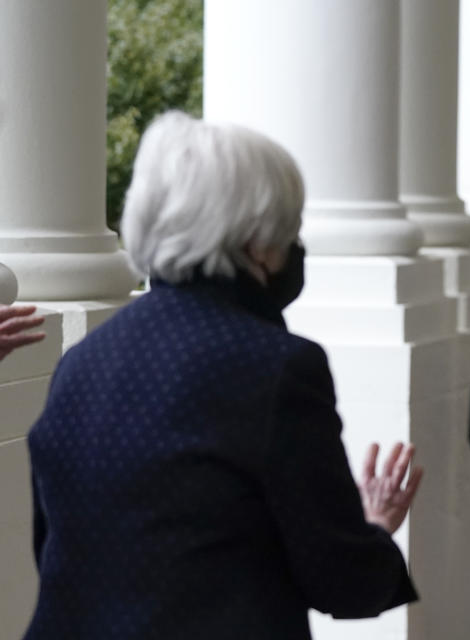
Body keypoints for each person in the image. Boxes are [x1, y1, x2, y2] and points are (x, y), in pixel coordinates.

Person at [25, 112, 422, 639]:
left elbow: (58, 551)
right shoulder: (276, 368)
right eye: (290, 230)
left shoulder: (81, 362)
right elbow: (341, 581)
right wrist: (372, 532)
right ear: (257, 243)